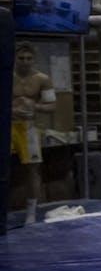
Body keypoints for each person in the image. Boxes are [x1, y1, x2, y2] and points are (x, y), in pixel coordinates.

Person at [10, 42, 56, 224]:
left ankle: (31, 212)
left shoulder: (42, 79)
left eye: (29, 58)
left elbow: (52, 105)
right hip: (7, 124)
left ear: (33, 59)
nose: (25, 62)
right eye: (21, 58)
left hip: (28, 127)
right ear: (15, 58)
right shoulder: (6, 76)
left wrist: (34, 106)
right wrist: (11, 111)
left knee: (32, 169)